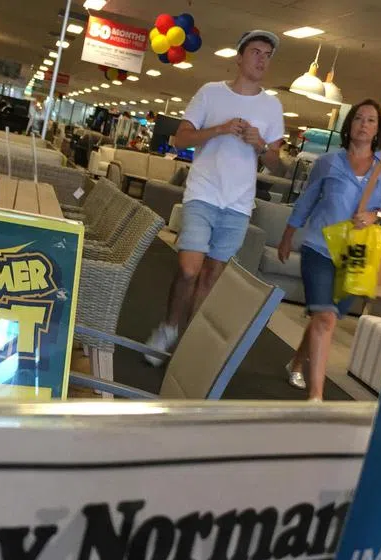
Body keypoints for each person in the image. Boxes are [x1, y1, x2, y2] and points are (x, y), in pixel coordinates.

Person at [144, 30, 286, 364]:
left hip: (237, 205)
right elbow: (180, 140)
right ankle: (168, 327)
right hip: (203, 195)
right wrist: (220, 129)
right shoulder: (210, 93)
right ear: (239, 57)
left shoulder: (272, 106)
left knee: (211, 276)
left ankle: (187, 348)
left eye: (267, 54)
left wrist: (260, 145)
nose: (262, 59)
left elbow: (276, 164)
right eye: (255, 51)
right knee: (189, 270)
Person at [278, 98, 381, 400]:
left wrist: (375, 215)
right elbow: (307, 201)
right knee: (324, 318)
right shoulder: (327, 163)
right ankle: (316, 398)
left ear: (378, 130)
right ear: (348, 126)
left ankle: (298, 361)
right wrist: (288, 235)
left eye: (371, 120)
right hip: (320, 247)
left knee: (327, 316)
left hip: (357, 254)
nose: (364, 124)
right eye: (359, 118)